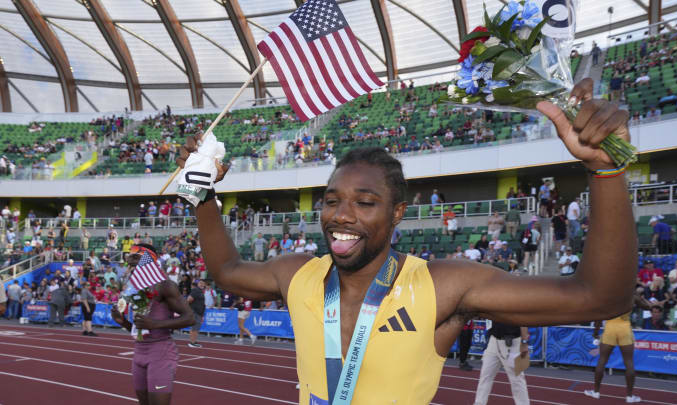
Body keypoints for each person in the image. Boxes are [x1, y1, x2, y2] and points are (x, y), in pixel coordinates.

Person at [175, 78, 638, 404]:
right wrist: (201, 192)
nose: (341, 214)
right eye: (332, 199)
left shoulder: (442, 285)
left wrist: (606, 170)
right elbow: (227, 272)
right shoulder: (298, 273)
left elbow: (600, 296)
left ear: (397, 213)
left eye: (364, 202)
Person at [110, 243, 196, 405]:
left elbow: (190, 318)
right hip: (139, 351)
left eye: (136, 255)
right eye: (129, 255)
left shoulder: (165, 285)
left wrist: (154, 324)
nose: (130, 258)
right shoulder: (134, 286)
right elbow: (141, 327)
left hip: (161, 353)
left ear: (150, 259)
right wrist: (124, 322)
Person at [584, 311, 642, 403]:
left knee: (602, 360)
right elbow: (646, 306)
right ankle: (629, 397)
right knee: (629, 362)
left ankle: (596, 392)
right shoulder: (630, 296)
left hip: (610, 329)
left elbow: (599, 317)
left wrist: (595, 332)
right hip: (625, 329)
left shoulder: (609, 297)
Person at [473, 321, 530, 405]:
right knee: (485, 375)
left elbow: (523, 320)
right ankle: (479, 403)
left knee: (517, 379)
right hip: (493, 341)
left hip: (513, 344)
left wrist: (524, 342)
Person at [187, 279, 206, 348]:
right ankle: (192, 342)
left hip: (199, 313)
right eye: (200, 283)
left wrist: (202, 315)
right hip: (195, 312)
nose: (201, 284)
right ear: (198, 284)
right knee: (195, 328)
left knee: (196, 328)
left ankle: (193, 341)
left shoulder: (201, 291)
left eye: (203, 283)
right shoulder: (196, 290)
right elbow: (189, 299)